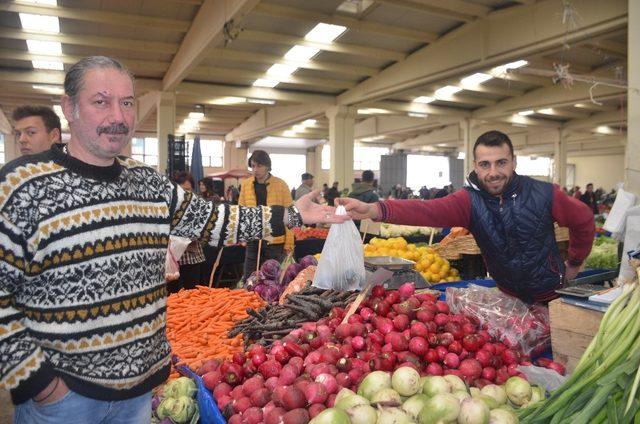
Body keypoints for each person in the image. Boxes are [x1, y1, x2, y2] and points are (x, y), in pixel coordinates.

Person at [0, 56, 345, 424]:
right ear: (69, 108)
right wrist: (37, 382)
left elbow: (215, 220)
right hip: (64, 402)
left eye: (127, 102)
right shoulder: (22, 187)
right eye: (101, 102)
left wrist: (293, 215)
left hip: (139, 395)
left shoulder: (148, 183)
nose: (118, 116)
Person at [339, 130, 595, 303]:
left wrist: (574, 262)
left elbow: (583, 218)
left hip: (551, 295)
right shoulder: (469, 201)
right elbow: (427, 210)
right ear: (475, 165)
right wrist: (375, 210)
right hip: (506, 296)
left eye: (501, 163)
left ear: (514, 162)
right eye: (485, 164)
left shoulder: (543, 193)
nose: (493, 172)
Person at [239, 150, 294, 280]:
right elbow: (241, 212)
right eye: (252, 166)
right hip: (253, 239)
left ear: (268, 166)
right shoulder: (246, 185)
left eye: (259, 166)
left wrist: (289, 243)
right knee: (249, 277)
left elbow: (290, 215)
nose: (255, 170)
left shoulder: (281, 185)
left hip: (275, 241)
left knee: (272, 279)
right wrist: (242, 236)